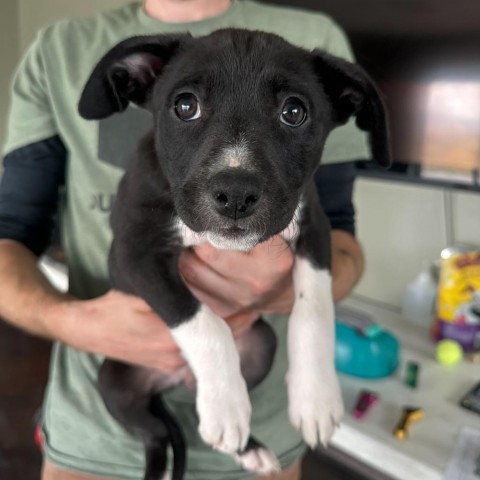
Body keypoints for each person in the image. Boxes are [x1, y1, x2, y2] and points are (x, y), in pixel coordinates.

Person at [0, 0, 370, 479]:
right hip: (94, 432)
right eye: (187, 105)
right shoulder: (57, 50)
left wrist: (299, 321)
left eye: (293, 110)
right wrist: (75, 324)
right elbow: (10, 232)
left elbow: (335, 230)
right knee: (133, 405)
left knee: (260, 346)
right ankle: (159, 441)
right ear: (140, 82)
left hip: (265, 410)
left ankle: (238, 440)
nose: (234, 175)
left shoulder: (313, 38)